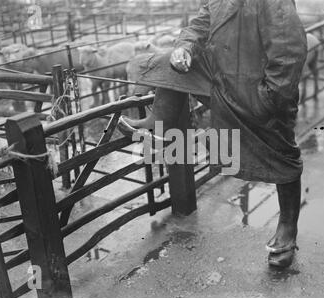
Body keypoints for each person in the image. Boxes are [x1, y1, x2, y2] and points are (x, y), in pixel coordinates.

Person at [118, 0, 307, 268]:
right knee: (164, 62)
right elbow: (198, 25)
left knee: (281, 154)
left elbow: (289, 53)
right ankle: (157, 121)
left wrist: (268, 98)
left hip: (259, 87)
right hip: (222, 76)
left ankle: (287, 228)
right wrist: (184, 47)